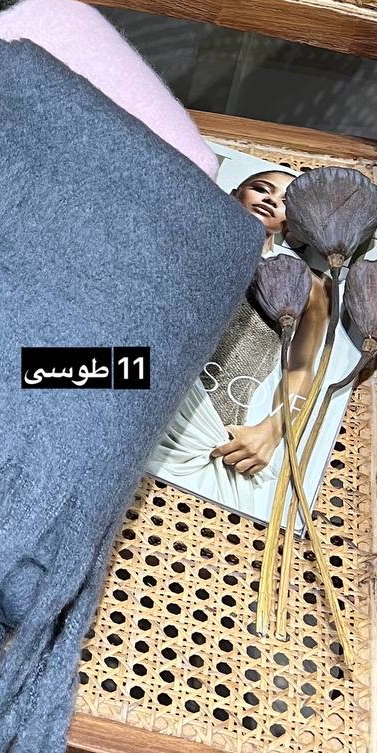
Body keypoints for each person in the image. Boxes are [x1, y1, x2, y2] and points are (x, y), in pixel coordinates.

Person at [148, 166, 329, 516]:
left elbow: (303, 368)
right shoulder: (184, 244)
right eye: (261, 188)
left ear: (295, 223)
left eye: (286, 201)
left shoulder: (310, 286)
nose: (270, 200)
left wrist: (272, 431)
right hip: (147, 390)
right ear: (235, 193)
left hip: (214, 432)